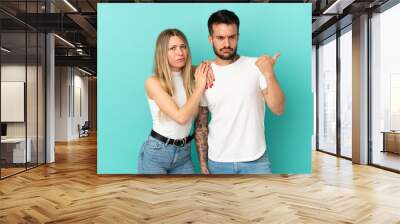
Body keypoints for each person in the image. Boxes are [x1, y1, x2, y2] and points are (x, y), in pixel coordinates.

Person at [195, 10, 286, 174]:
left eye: (232, 37)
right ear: (211, 39)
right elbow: (201, 125)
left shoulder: (256, 66)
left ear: (238, 37)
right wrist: (203, 165)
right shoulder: (204, 74)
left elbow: (278, 109)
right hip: (218, 162)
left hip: (256, 160)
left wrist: (269, 74)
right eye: (220, 38)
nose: (227, 44)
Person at [138, 28, 213, 174]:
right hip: (157, 153)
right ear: (162, 53)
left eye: (183, 47)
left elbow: (213, 66)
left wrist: (207, 65)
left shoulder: (191, 74)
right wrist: (199, 87)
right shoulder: (153, 82)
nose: (180, 52)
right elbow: (181, 118)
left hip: (184, 155)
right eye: (172, 48)